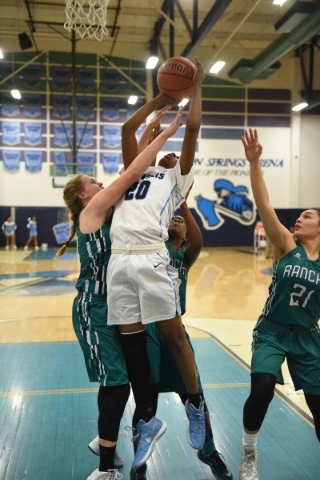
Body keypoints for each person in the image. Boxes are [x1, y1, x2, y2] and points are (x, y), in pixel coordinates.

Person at [56, 107, 184, 480]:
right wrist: (167, 133)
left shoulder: (108, 208)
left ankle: (106, 443)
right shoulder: (93, 210)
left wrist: (148, 134)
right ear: (84, 194)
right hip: (93, 306)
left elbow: (132, 173)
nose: (100, 183)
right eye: (94, 181)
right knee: (117, 383)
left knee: (117, 380)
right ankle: (105, 467)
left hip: (114, 303)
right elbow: (130, 173)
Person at [106, 56, 206, 474]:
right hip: (119, 260)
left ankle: (196, 404)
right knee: (132, 346)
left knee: (175, 337)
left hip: (150, 255)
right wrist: (160, 98)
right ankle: (146, 417)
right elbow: (129, 129)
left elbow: (194, 128)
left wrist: (194, 85)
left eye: (170, 154)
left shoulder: (177, 178)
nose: (164, 155)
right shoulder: (135, 171)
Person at [129, 198, 233, 480]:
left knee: (196, 397)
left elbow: (198, 240)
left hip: (175, 332)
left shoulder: (186, 256)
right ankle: (139, 464)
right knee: (144, 402)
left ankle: (209, 450)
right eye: (173, 219)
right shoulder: (156, 248)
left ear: (186, 237)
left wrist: (185, 205)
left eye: (182, 222)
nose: (177, 220)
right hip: (148, 329)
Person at [239, 128, 320, 480]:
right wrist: (255, 164)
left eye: (309, 216)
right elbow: (264, 204)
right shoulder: (287, 245)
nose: (299, 218)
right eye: (299, 215)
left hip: (307, 338)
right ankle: (248, 453)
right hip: (271, 332)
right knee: (262, 390)